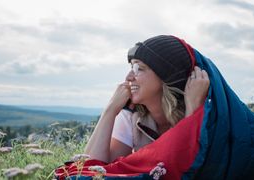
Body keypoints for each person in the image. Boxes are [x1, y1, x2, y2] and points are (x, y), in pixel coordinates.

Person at [85, 35, 210, 163]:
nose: (128, 77)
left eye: (138, 68)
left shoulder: (205, 112)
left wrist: (192, 113)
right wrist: (110, 110)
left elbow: (187, 169)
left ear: (165, 76)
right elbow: (91, 170)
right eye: (131, 68)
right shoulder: (131, 115)